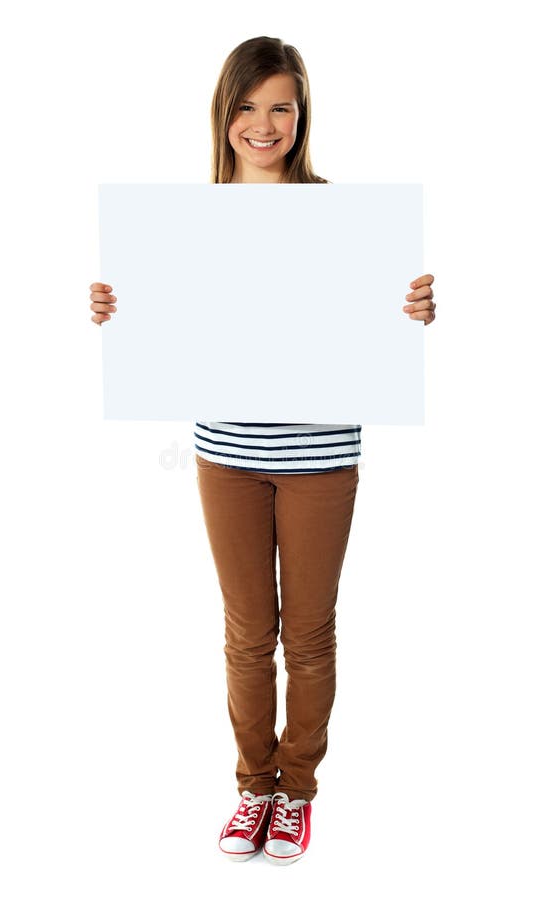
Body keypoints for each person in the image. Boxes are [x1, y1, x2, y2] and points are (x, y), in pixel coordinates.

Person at [89, 36, 436, 866]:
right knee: (248, 632)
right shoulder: (187, 221)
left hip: (321, 454)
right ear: (225, 113)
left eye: (280, 104)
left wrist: (415, 308)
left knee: (308, 635)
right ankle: (253, 788)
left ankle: (298, 792)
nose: (263, 123)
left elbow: (377, 316)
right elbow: (169, 327)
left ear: (301, 112)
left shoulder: (343, 215)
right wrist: (116, 308)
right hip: (227, 452)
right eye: (247, 106)